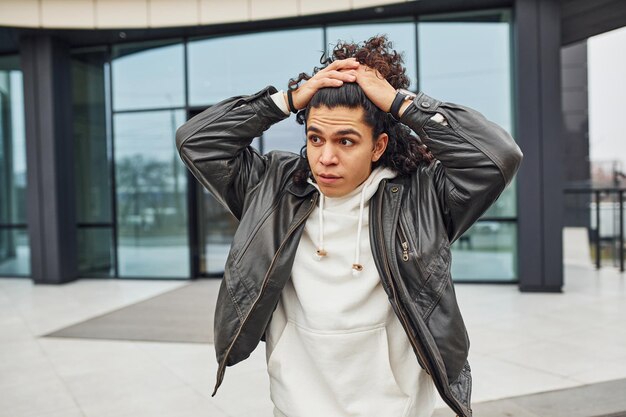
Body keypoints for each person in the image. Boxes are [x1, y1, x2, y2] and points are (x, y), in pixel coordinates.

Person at [176, 35, 523, 417]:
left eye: (346, 141)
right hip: (295, 408)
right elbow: (196, 141)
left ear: (377, 147)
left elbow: (497, 157)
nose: (325, 157)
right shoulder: (273, 189)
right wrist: (288, 100)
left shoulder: (421, 198)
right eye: (315, 138)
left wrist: (401, 103)